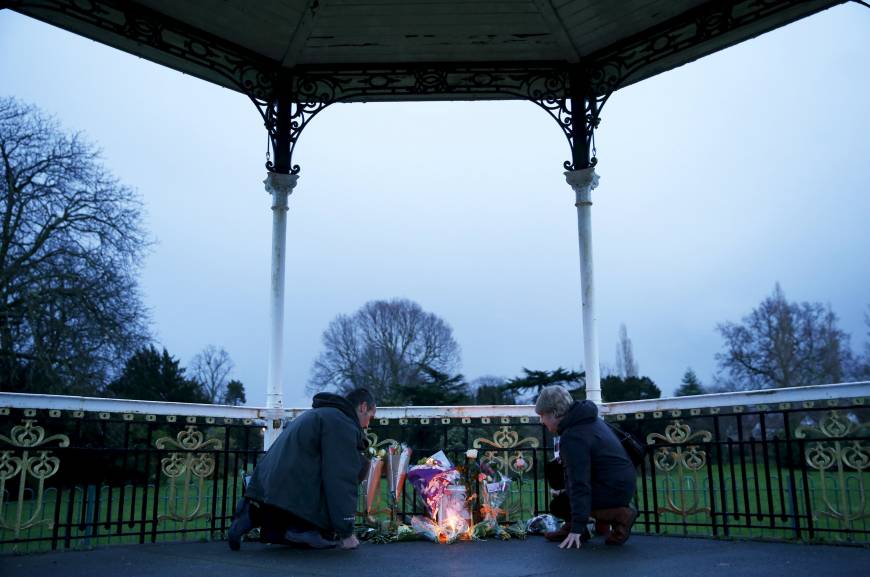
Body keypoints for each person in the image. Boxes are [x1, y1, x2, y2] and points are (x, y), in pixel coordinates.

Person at [228, 388, 376, 551]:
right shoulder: (341, 424)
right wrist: (346, 531)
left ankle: (252, 515)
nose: (368, 424)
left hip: (270, 488)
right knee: (337, 477)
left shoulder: (324, 414)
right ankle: (301, 529)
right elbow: (340, 479)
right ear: (363, 407)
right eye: (370, 416)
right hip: (291, 490)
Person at [535, 385, 637, 549]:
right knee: (562, 489)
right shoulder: (588, 420)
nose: (541, 421)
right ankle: (576, 527)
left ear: (554, 413)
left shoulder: (573, 436)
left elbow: (579, 483)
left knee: (560, 505)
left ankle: (621, 516)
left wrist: (578, 526)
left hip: (612, 489)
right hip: (622, 483)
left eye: (542, 415)